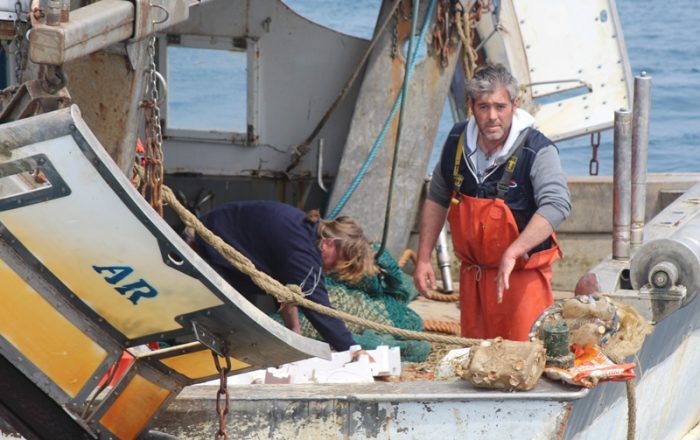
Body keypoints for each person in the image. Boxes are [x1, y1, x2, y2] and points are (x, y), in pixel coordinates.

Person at [413, 63, 571, 341]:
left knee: (525, 359)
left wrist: (513, 252)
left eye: (500, 106)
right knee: (478, 362)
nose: (492, 116)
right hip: (473, 278)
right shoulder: (456, 141)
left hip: (522, 278)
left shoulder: (538, 150)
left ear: (515, 104)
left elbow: (556, 205)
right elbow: (437, 197)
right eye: (483, 107)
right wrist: (424, 258)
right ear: (472, 107)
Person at [192, 200, 377, 352]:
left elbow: (288, 290)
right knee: (236, 333)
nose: (329, 271)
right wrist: (353, 350)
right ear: (329, 244)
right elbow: (320, 309)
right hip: (205, 251)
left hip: (215, 240)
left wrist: (294, 331)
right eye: (335, 264)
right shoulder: (303, 252)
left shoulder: (303, 229)